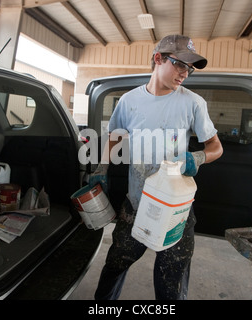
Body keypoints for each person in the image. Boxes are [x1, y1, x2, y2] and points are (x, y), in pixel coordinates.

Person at [90, 35, 223, 300]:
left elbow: (216, 147)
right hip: (137, 205)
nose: (185, 73)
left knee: (171, 282)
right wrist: (101, 169)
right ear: (158, 59)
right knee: (116, 265)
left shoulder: (193, 103)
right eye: (180, 65)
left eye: (190, 69)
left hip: (176, 210)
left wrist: (198, 158)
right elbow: (115, 137)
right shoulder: (129, 101)